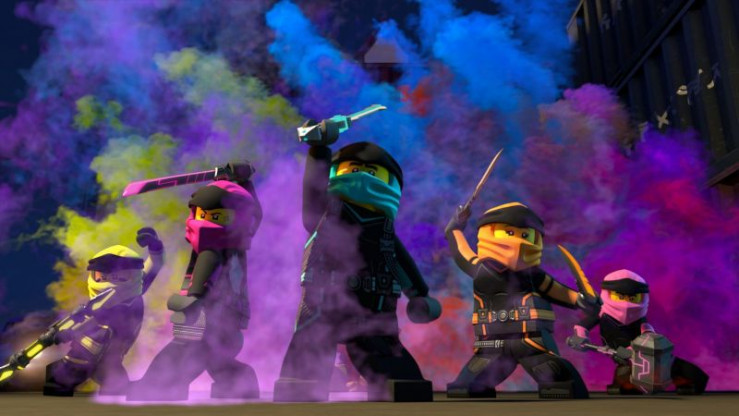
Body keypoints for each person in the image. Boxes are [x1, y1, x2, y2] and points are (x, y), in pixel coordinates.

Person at [445, 202, 592, 399]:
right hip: (492, 345)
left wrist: (580, 300)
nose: (518, 241)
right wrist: (454, 227)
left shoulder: (533, 275)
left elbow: (557, 291)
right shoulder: (481, 269)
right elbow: (460, 250)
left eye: (525, 235)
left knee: (559, 381)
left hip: (532, 342)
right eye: (508, 232)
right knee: (466, 386)